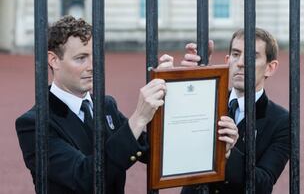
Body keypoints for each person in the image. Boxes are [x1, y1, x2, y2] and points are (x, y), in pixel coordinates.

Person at [15, 15, 238, 194]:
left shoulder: (105, 106)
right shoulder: (33, 123)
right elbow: (84, 179)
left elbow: (155, 151)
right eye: (81, 58)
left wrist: (182, 86)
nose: (92, 66)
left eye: (94, 56)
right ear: (53, 60)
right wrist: (139, 118)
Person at [163, 28, 290, 194]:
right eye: (236, 54)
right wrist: (185, 82)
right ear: (227, 60)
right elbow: (169, 143)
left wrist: (229, 153)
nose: (241, 62)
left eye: (252, 56)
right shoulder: (207, 98)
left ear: (270, 68)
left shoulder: (281, 121)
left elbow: (263, 185)